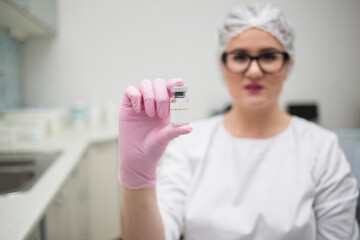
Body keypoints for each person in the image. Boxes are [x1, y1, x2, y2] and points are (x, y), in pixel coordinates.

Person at [118, 3, 359, 240]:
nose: (254, 71)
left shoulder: (322, 147)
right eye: (240, 56)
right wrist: (137, 179)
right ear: (222, 65)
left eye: (269, 56)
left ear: (289, 64)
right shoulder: (189, 143)